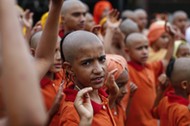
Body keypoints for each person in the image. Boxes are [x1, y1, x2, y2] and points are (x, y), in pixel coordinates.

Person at [59, 30, 116, 126]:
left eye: (102, 59)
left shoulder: (99, 94)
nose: (98, 70)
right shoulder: (73, 111)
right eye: (87, 63)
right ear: (69, 68)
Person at [124, 30, 175, 125]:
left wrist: (172, 39)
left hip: (152, 121)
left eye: (146, 47)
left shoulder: (149, 67)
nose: (144, 52)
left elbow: (166, 60)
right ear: (127, 51)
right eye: (139, 48)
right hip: (135, 123)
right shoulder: (126, 69)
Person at [30, 31, 64, 126]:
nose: (59, 57)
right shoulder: (29, 88)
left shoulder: (66, 75)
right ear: (33, 53)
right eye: (52, 51)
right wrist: (51, 112)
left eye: (61, 50)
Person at [152, 58, 190, 126]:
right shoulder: (184, 111)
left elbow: (155, 112)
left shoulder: (165, 100)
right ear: (184, 85)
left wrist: (161, 90)